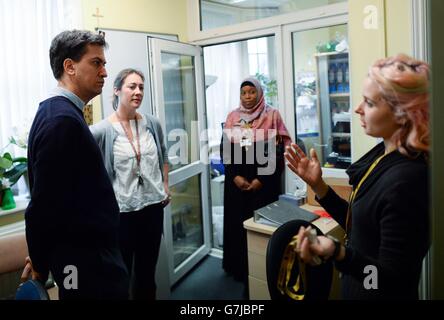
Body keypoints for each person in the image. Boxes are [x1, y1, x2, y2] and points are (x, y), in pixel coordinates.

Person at [285, 54, 430, 300]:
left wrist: (338, 253)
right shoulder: (382, 156)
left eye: (369, 103)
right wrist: (319, 186)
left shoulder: (407, 180)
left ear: (402, 114)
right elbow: (360, 227)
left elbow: (391, 283)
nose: (357, 109)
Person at [24, 30, 129, 299]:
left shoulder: (58, 113)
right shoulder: (61, 121)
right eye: (97, 63)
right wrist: (38, 264)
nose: (105, 72)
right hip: (87, 264)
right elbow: (43, 206)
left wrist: (41, 254)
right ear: (69, 67)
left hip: (84, 257)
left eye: (104, 64)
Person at [90, 68, 170, 300]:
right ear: (116, 90)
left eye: (141, 87)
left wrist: (165, 184)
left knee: (147, 275)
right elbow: (91, 173)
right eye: (131, 86)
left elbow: (163, 155)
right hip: (121, 214)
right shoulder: (101, 131)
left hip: (153, 209)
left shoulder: (152, 123)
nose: (138, 92)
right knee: (120, 277)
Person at [221, 77, 291, 289]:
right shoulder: (233, 116)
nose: (248, 97)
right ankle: (238, 268)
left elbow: (279, 152)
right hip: (237, 180)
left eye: (252, 92)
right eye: (244, 93)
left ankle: (262, 270)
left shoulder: (272, 115)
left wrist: (262, 179)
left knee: (261, 226)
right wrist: (235, 176)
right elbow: (226, 149)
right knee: (237, 225)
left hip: (264, 182)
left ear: (259, 93)